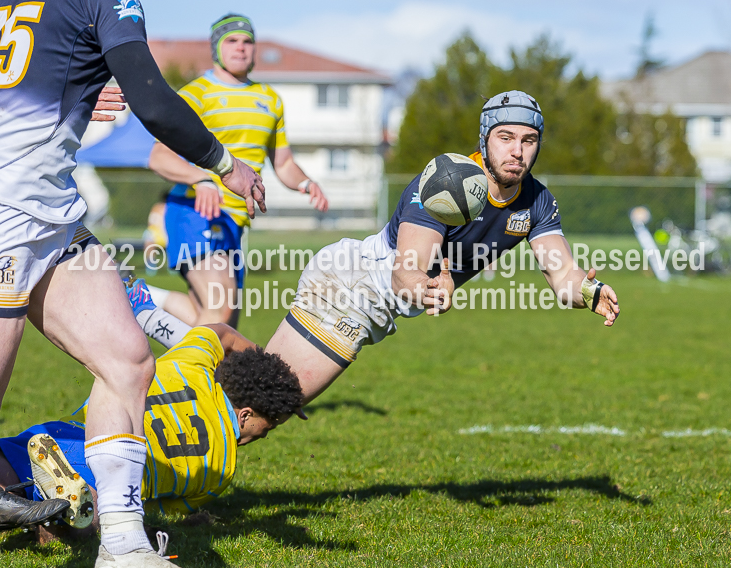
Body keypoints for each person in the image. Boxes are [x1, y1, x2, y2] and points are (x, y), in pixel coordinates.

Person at [0, 0, 266, 565]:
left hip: (52, 218)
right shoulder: (105, 0)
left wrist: (82, 83)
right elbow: (156, 104)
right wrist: (225, 163)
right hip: (3, 215)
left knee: (129, 361)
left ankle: (123, 542)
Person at [264, 90, 621, 404]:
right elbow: (405, 272)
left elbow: (562, 274)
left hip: (377, 306)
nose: (517, 151)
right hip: (352, 287)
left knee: (257, 387)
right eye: (506, 137)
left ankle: (215, 350)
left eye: (529, 140)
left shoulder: (537, 201)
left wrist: (589, 291)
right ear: (484, 140)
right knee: (264, 408)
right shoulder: (448, 180)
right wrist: (431, 290)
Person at [0, 322, 303, 545]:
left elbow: (222, 332)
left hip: (74, 434)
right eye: (270, 424)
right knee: (110, 512)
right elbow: (164, 507)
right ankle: (70, 517)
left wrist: (266, 367)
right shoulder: (221, 471)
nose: (266, 434)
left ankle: (12, 489)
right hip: (113, 475)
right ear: (245, 414)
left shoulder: (192, 362)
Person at [147, 13, 329, 329]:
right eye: (231, 40)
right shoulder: (196, 95)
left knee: (221, 327)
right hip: (195, 211)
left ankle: (143, 298)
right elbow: (159, 157)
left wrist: (306, 182)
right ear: (216, 47)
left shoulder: (270, 100)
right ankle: (182, 373)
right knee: (221, 305)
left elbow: (283, 163)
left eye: (247, 41)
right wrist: (201, 178)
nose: (241, 48)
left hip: (236, 224)